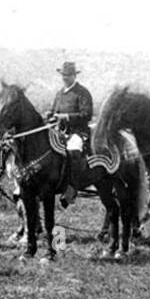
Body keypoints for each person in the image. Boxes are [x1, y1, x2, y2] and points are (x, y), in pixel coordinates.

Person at [49, 61, 94, 207]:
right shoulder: (59, 93)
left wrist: (67, 117)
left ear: (74, 75)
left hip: (78, 132)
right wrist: (51, 115)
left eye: (68, 75)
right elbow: (54, 110)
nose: (65, 78)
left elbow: (87, 114)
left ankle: (72, 188)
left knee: (73, 151)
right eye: (63, 75)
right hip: (60, 131)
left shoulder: (82, 92)